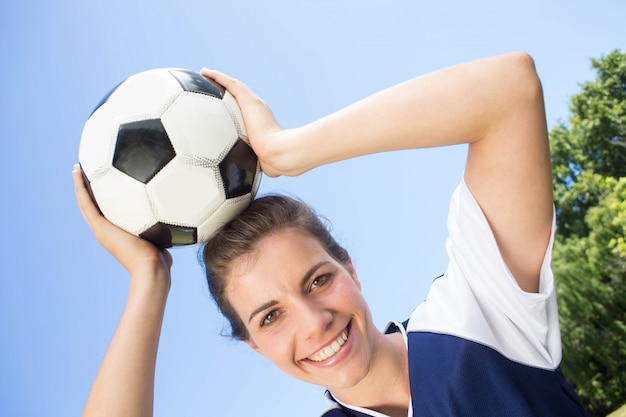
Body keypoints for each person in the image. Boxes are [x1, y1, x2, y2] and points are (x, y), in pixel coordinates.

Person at [73, 52, 588, 417]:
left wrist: (289, 149)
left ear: (350, 269)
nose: (315, 324)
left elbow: (509, 90)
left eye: (318, 280)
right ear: (254, 346)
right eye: (269, 317)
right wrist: (148, 281)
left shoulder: (478, 318)